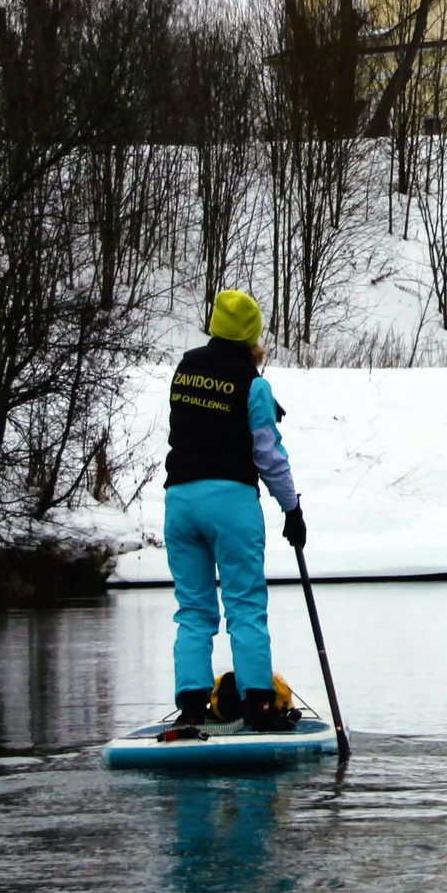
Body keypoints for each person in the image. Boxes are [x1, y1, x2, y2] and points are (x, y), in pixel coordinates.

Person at [161, 288, 308, 740]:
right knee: (245, 606)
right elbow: (268, 454)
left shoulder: (185, 368)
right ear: (252, 337)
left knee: (193, 610)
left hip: (180, 501)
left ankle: (190, 707)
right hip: (231, 503)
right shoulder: (254, 384)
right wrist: (292, 508)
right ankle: (259, 705)